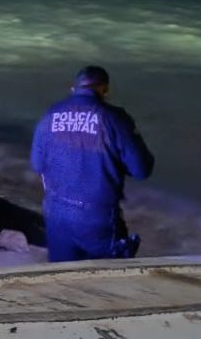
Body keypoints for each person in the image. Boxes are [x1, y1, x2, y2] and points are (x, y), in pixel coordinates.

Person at [30, 65, 154, 262]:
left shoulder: (51, 115)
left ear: (74, 89)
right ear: (105, 90)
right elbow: (142, 170)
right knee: (103, 280)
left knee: (61, 278)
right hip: (97, 218)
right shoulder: (115, 118)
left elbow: (37, 164)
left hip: (57, 214)